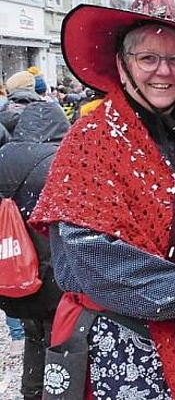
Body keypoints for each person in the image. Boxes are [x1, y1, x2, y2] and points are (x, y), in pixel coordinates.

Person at [28, 0, 175, 399]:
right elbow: (88, 254)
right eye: (148, 58)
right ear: (122, 64)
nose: (162, 71)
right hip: (122, 350)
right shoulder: (90, 139)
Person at [0, 101, 69, 400]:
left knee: (33, 335)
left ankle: (32, 390)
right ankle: (58, 391)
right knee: (61, 341)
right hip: (52, 273)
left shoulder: (3, 157)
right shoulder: (59, 162)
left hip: (13, 267)